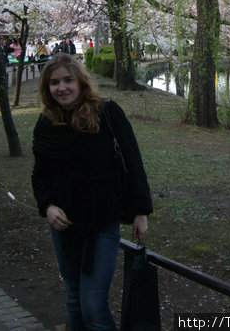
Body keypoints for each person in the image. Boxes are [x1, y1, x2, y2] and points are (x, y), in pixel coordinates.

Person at [32, 54, 153, 331]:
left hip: (102, 221)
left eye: (67, 80)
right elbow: (40, 175)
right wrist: (47, 206)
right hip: (64, 223)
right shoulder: (46, 123)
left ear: (80, 81)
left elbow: (133, 162)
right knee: (74, 298)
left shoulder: (107, 113)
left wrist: (141, 211)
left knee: (93, 306)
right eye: (54, 83)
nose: (61, 88)